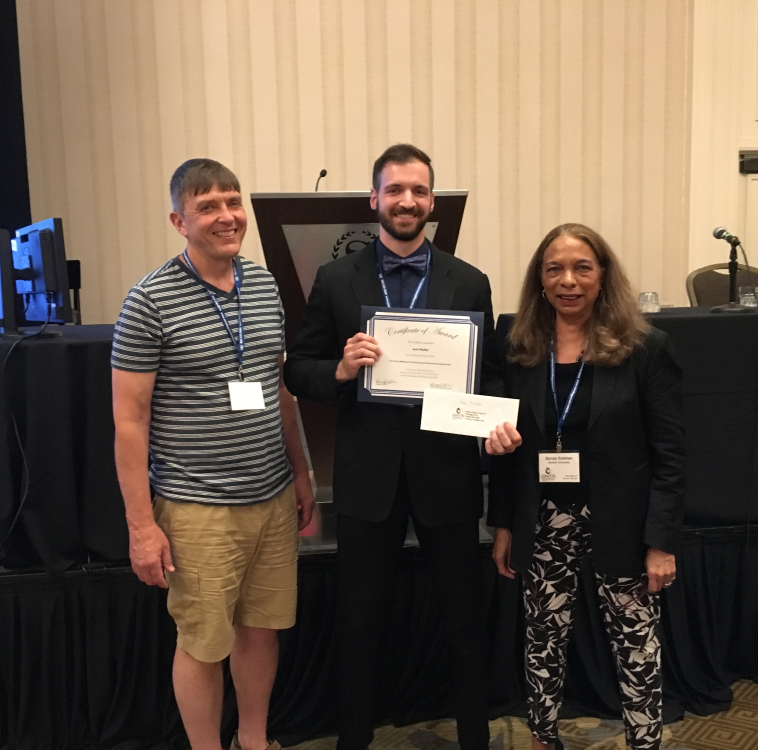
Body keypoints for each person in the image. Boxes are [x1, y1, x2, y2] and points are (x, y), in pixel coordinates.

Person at [284, 143, 520, 750]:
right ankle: (353, 741)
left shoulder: (470, 281)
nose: (406, 201)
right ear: (375, 199)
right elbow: (298, 369)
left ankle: (475, 739)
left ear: (432, 202)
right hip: (369, 479)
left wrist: (496, 422)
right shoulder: (336, 279)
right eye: (395, 190)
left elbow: (491, 376)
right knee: (358, 624)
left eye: (418, 190)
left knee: (464, 621)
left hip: (448, 475)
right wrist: (340, 369)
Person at [111, 158, 315, 750]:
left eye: (232, 201)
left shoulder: (264, 285)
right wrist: (141, 526)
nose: (227, 216)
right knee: (203, 643)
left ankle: (253, 740)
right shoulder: (149, 301)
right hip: (198, 507)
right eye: (207, 207)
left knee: (261, 630)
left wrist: (301, 472)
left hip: (272, 497)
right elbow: (129, 421)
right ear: (180, 221)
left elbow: (278, 388)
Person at [487, 223, 685, 750]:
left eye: (582, 268)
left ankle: (645, 742)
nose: (568, 281)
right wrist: (503, 524)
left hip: (623, 522)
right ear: (540, 278)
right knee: (542, 642)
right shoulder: (520, 348)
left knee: (636, 646)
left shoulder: (646, 348)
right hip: (543, 519)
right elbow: (508, 451)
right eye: (554, 269)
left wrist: (661, 543)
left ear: (602, 276)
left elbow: (671, 455)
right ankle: (542, 737)